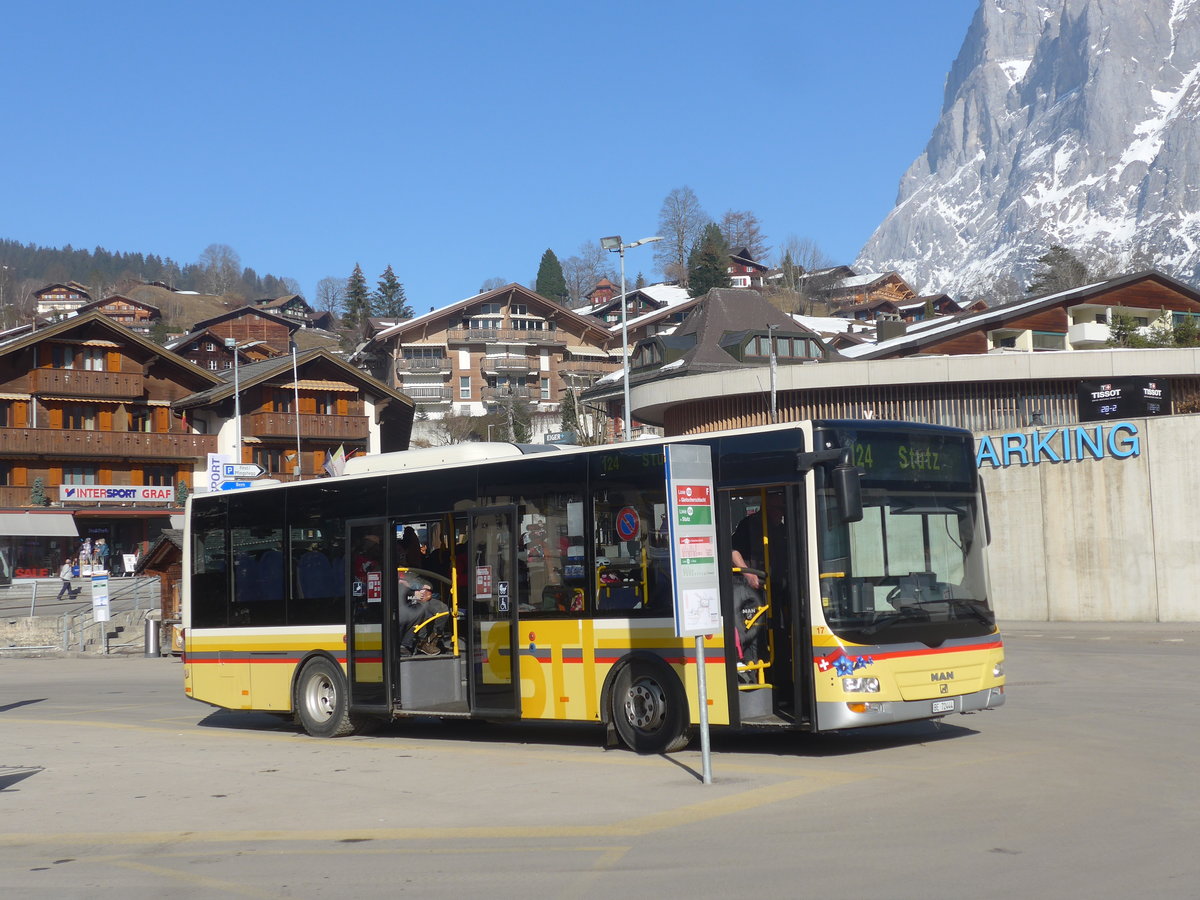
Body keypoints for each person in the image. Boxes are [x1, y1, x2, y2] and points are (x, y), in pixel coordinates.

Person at [397, 579, 450, 656]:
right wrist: (412, 592)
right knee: (419, 610)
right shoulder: (395, 573)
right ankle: (419, 641)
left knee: (442, 610)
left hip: (419, 596)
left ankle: (431, 641)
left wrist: (424, 588)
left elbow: (426, 584)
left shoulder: (415, 574)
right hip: (406, 600)